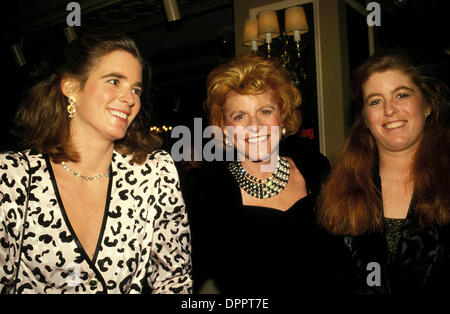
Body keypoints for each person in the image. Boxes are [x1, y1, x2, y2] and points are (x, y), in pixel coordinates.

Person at [0, 34, 192, 294]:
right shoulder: (13, 176)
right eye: (114, 81)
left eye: (136, 89)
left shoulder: (154, 172)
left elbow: (175, 280)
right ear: (71, 88)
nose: (130, 98)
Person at [186, 54, 335, 294]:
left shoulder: (317, 170)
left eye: (265, 111)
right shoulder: (208, 192)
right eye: (240, 116)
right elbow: (187, 278)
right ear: (224, 128)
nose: (254, 125)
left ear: (283, 115)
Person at [317, 49, 450, 294]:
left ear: (428, 104)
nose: (389, 110)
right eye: (375, 101)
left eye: (401, 95)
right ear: (365, 118)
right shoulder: (336, 190)